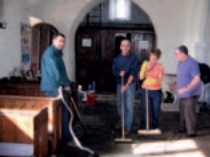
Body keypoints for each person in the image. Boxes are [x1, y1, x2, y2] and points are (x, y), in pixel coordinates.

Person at [40, 33, 75, 146]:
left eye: (63, 42)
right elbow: (55, 74)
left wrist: (67, 82)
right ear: (53, 41)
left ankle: (64, 137)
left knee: (63, 114)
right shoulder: (49, 55)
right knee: (58, 115)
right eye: (60, 41)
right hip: (53, 88)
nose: (62, 44)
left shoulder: (57, 54)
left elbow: (62, 72)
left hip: (58, 87)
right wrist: (66, 84)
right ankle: (61, 139)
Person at [171, 45, 201, 137]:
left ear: (183, 54)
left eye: (177, 54)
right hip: (183, 93)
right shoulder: (180, 62)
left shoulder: (192, 63)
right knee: (183, 111)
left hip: (191, 93)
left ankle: (191, 132)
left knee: (189, 112)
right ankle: (182, 128)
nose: (175, 55)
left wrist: (187, 88)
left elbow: (197, 78)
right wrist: (175, 84)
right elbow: (181, 75)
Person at [112, 39, 138, 135]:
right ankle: (122, 121)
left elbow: (133, 73)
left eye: (127, 46)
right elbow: (113, 71)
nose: (125, 47)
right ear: (120, 47)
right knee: (120, 105)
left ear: (130, 47)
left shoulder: (133, 58)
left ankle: (128, 126)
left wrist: (126, 85)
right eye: (123, 45)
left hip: (129, 85)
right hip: (119, 84)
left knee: (129, 106)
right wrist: (119, 73)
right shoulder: (116, 59)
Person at [138, 49, 164, 133]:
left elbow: (159, 80)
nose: (153, 59)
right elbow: (141, 77)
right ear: (149, 56)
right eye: (151, 56)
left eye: (155, 57)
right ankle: (143, 127)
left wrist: (152, 77)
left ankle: (155, 127)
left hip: (156, 91)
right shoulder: (145, 64)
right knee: (145, 109)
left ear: (157, 58)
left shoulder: (160, 66)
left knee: (155, 110)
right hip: (146, 90)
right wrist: (147, 70)